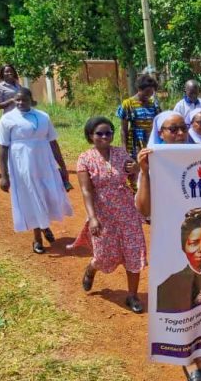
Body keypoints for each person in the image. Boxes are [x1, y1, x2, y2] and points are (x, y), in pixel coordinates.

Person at [135, 110, 201, 381]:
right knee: (180, 295)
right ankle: (188, 358)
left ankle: (200, 344)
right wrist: (145, 173)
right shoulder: (153, 161)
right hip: (170, 240)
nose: (179, 134)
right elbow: (144, 209)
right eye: (172, 129)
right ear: (160, 133)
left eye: (182, 128)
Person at [76, 116, 146, 312]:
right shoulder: (85, 158)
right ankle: (92, 268)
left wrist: (136, 168)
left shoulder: (121, 153)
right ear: (90, 135)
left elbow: (134, 176)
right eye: (100, 133)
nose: (105, 136)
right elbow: (86, 191)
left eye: (108, 133)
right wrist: (92, 218)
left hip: (127, 210)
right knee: (104, 254)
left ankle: (132, 296)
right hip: (102, 212)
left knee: (134, 252)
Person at [0, 87, 73, 254]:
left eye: (24, 99)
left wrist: (63, 166)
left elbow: (53, 142)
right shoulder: (7, 119)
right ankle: (37, 238)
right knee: (32, 196)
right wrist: (4, 175)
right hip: (22, 165)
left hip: (45, 163)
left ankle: (44, 225)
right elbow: (2, 149)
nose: (20, 102)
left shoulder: (43, 116)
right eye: (17, 99)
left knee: (47, 194)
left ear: (31, 100)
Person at [119, 74, 162, 159]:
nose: (149, 95)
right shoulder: (128, 104)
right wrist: (124, 148)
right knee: (137, 163)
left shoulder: (154, 104)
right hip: (135, 142)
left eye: (151, 93)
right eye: (147, 92)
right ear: (139, 89)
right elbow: (124, 129)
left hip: (151, 140)